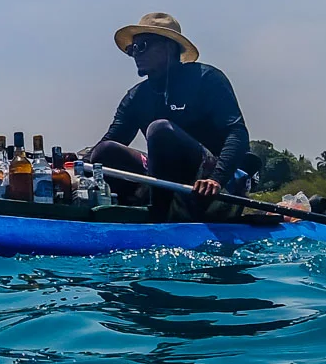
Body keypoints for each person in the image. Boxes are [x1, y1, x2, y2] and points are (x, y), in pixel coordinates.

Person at [87, 12, 250, 219]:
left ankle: (159, 216)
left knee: (160, 130)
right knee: (104, 152)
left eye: (143, 46)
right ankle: (131, 212)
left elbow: (237, 133)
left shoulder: (207, 79)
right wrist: (72, 165)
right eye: (132, 49)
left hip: (213, 188)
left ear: (169, 47)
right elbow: (112, 140)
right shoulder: (136, 96)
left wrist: (217, 178)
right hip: (163, 184)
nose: (136, 54)